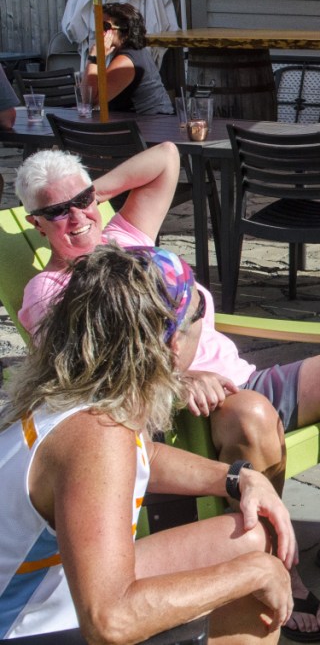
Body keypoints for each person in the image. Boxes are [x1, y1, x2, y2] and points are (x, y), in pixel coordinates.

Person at [14, 145, 320, 642]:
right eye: (56, 210)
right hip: (185, 406)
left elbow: (169, 157)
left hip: (236, 377)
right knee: (252, 417)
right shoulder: (59, 297)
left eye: (81, 200)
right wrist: (174, 378)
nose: (75, 216)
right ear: (36, 223)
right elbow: (90, 377)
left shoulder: (124, 240)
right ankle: (283, 567)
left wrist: (91, 199)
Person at [0, 244, 294, 642]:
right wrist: (254, 574)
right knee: (255, 573)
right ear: (172, 345)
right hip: (25, 627)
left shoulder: (80, 399)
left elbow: (143, 456)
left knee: (251, 538)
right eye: (199, 315)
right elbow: (110, 622)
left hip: (52, 593)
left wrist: (237, 479)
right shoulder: (96, 438)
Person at [85, 1, 173, 115]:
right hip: (142, 124)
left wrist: (94, 58)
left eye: (105, 26)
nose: (99, 32)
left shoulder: (126, 61)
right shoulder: (134, 52)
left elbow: (90, 100)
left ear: (125, 31)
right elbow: (86, 98)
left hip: (151, 126)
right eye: (97, 26)